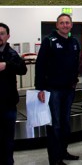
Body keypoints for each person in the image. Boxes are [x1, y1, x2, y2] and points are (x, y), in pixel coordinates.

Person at [35, 13, 81, 165]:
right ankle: (54, 159)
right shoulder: (49, 42)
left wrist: (74, 81)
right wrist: (40, 88)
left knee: (65, 123)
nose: (65, 25)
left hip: (68, 90)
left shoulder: (74, 42)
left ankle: (63, 152)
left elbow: (76, 64)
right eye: (62, 23)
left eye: (67, 22)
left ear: (71, 25)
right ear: (57, 25)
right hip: (53, 90)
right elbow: (40, 66)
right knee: (55, 125)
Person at [0, 23, 27, 165]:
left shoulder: (11, 54)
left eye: (2, 33)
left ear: (7, 36)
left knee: (8, 141)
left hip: (8, 106)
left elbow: (23, 69)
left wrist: (7, 65)